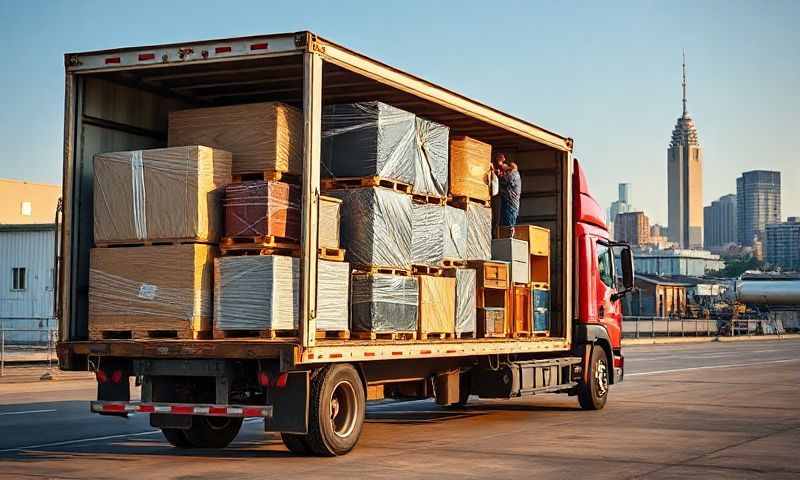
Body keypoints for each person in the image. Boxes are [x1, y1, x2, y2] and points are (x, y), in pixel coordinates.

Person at [496, 153, 521, 234]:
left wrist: (500, 164)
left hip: (511, 204)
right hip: (508, 202)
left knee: (508, 222)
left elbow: (506, 179)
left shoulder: (514, 174)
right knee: (504, 223)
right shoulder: (512, 174)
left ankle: (509, 234)